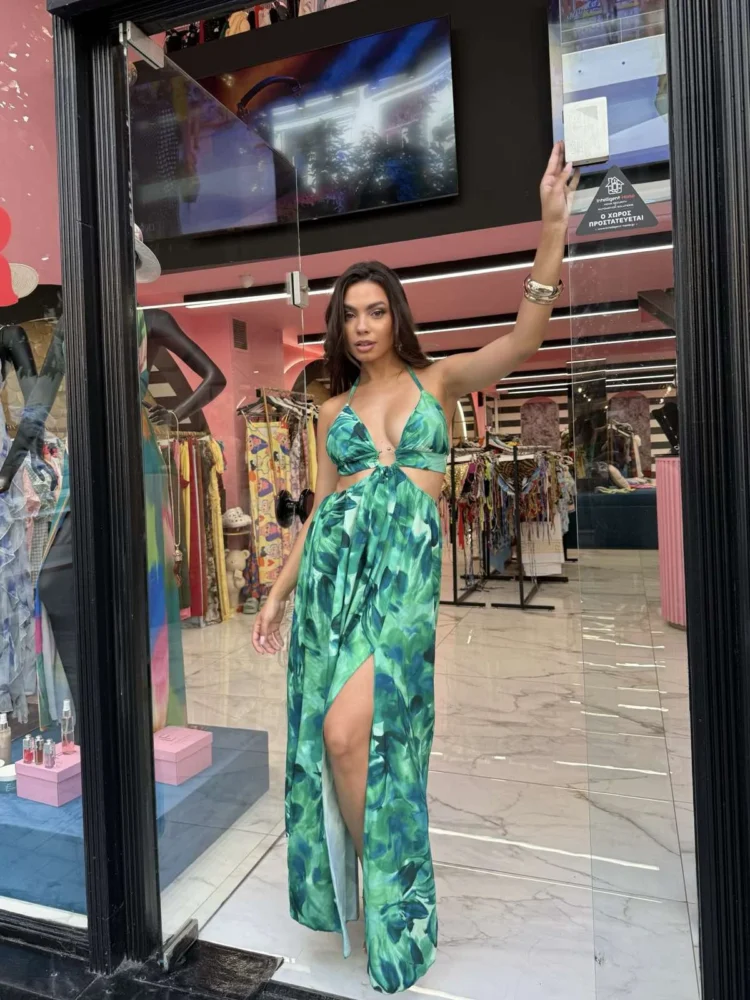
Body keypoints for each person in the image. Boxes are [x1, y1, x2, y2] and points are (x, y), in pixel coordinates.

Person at [252, 142, 578, 993]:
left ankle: (392, 899)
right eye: (348, 316)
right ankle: (380, 891)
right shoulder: (331, 409)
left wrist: (551, 229)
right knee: (337, 743)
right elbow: (320, 508)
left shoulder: (439, 383)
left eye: (374, 311)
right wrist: (278, 594)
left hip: (400, 593)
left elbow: (525, 337)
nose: (361, 326)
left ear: (396, 316)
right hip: (333, 589)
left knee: (360, 737)